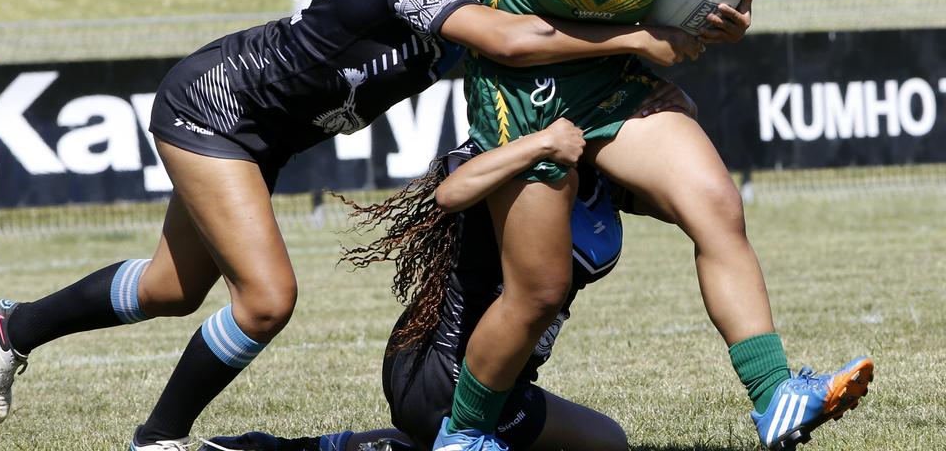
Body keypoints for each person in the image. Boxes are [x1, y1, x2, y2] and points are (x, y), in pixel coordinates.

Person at [0, 0, 708, 450]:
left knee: (172, 288)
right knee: (266, 301)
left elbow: (551, 35)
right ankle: (158, 439)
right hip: (215, 108)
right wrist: (643, 39)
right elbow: (516, 43)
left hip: (262, 137)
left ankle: (18, 324)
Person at [428, 0, 872, 451]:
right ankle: (465, 434)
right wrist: (459, 18)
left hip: (612, 88)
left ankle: (774, 393)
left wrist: (715, 25)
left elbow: (674, 15)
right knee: (537, 294)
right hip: (520, 96)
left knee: (718, 206)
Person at [198, 81, 703, 451]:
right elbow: (451, 190)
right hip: (445, 369)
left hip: (495, 378)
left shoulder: (601, 176)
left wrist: (676, 111)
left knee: (608, 441)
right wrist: (543, 143)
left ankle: (297, 449)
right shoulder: (510, 155)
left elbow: (682, 200)